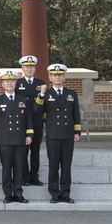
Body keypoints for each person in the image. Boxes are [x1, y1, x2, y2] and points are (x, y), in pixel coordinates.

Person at [35, 64, 81, 204]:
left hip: (67, 134)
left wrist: (77, 131)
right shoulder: (46, 94)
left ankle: (65, 194)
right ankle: (54, 193)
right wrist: (41, 94)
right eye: (54, 75)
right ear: (50, 77)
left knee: (66, 166)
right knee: (53, 165)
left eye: (60, 75)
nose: (57, 77)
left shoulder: (71, 94)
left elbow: (75, 114)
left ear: (64, 77)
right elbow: (37, 109)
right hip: (53, 134)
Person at [0, 70, 33, 204]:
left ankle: (18, 193)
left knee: (19, 167)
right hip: (5, 139)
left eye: (12, 81)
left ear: (16, 83)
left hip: (20, 138)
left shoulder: (23, 100)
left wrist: (29, 134)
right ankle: (7, 193)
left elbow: (28, 119)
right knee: (6, 168)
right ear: (2, 84)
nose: (9, 83)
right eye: (7, 81)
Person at [15, 55, 46, 187]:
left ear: (34, 68)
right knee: (23, 151)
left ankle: (34, 176)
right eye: (26, 66)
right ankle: (24, 176)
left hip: (36, 122)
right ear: (22, 68)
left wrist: (44, 120)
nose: (29, 69)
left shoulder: (41, 84)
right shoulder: (17, 83)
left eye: (31, 66)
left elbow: (44, 105)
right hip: (22, 123)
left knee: (35, 151)